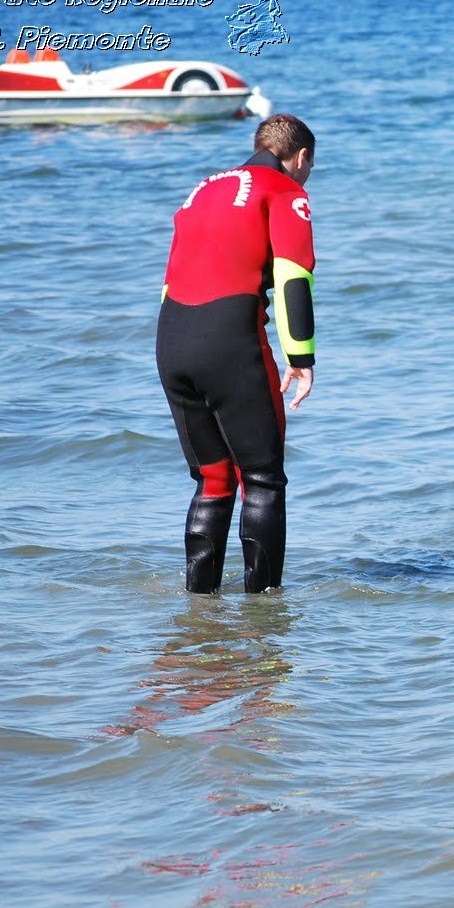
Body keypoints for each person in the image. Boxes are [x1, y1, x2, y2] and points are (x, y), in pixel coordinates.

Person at [156, 113, 318, 593]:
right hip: (230, 342)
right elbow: (293, 277)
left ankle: (199, 609)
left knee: (212, 479)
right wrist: (301, 358)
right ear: (301, 157)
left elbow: (171, 281)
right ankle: (264, 620)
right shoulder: (285, 190)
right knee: (263, 479)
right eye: (310, 167)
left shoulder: (202, 189)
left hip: (170, 341)